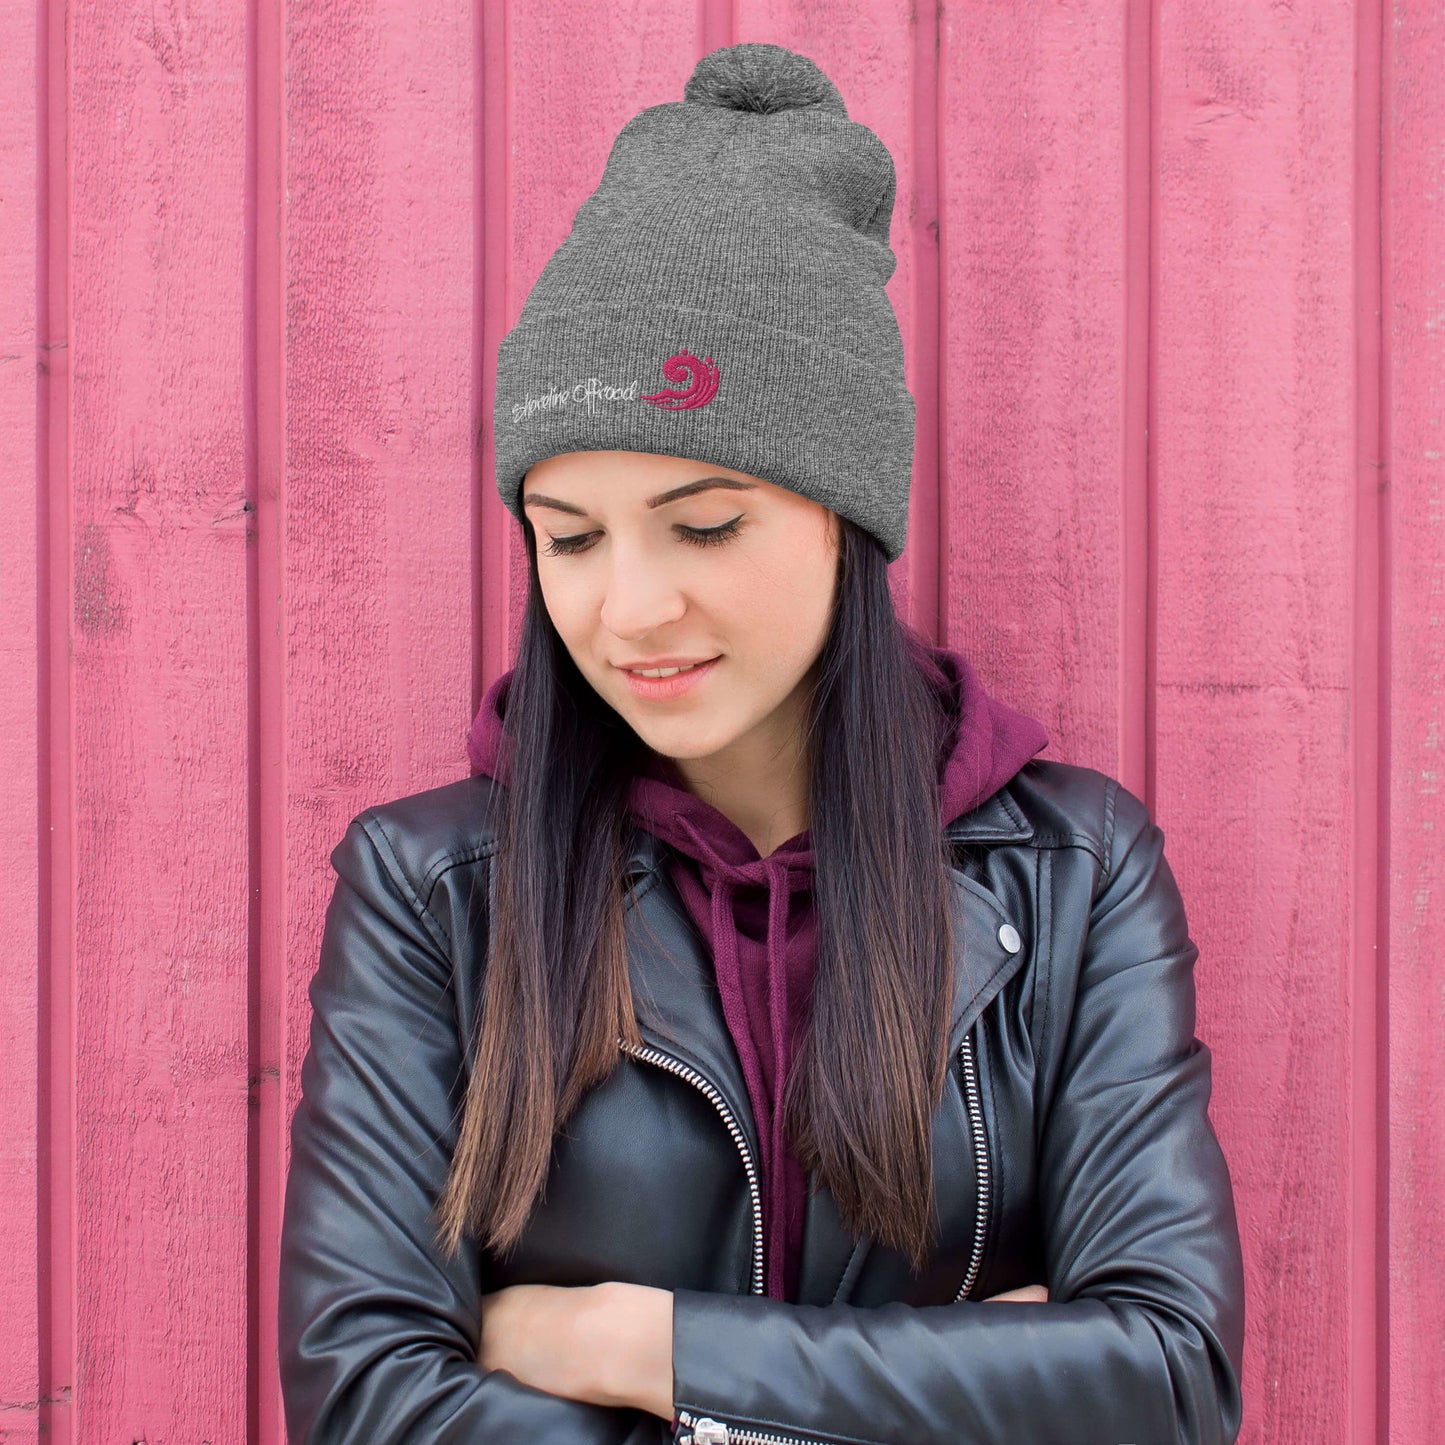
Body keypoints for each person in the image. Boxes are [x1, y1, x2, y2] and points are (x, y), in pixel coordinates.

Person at [278, 41, 1245, 1445]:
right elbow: (368, 1400)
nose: (629, 607)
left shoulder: (1071, 868)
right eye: (569, 537)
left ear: (843, 518)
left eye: (704, 523)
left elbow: (1164, 1379)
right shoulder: (435, 890)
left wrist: (631, 1339)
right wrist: (962, 1377)